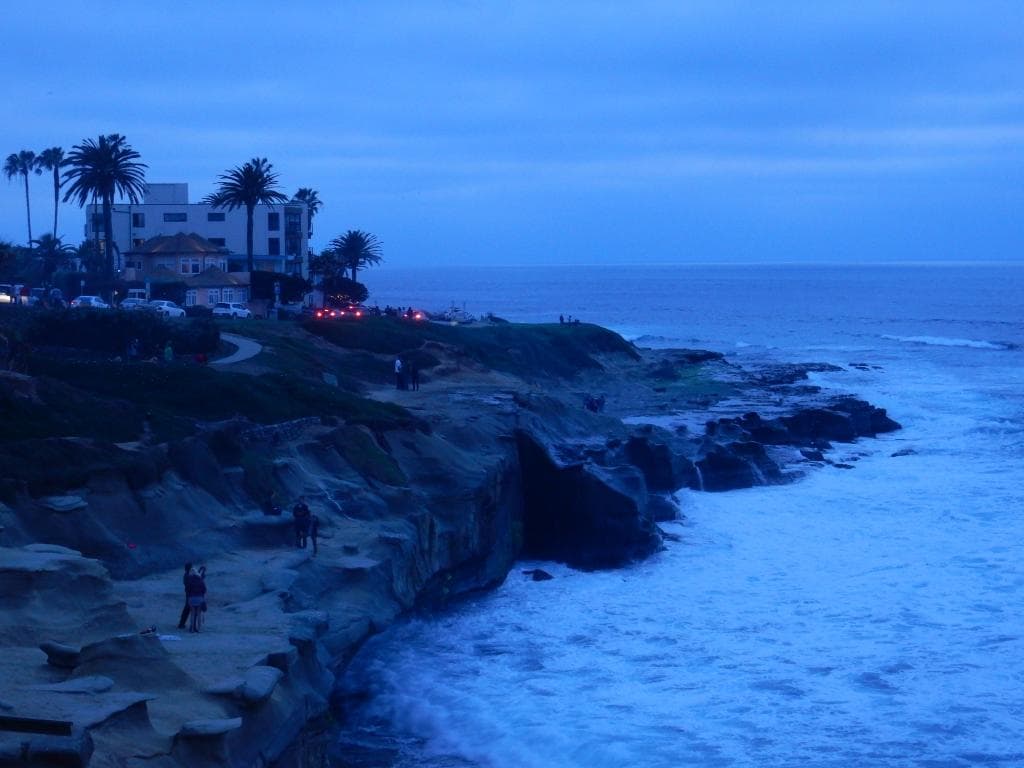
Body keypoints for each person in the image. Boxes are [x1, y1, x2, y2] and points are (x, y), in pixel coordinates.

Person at [185, 565, 207, 633]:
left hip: (191, 598)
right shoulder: (200, 580)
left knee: (192, 614)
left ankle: (192, 629)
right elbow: (204, 590)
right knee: (199, 614)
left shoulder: (189, 581)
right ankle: (199, 629)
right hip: (199, 598)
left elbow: (187, 590)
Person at [177, 561, 193, 629]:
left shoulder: (186, 575)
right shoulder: (188, 575)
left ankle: (182, 623)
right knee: (187, 609)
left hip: (188, 594)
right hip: (190, 594)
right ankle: (182, 624)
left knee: (187, 609)